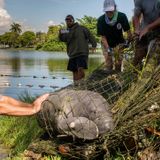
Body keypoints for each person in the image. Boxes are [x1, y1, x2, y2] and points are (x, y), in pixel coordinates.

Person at [59, 15, 97, 83]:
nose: (68, 22)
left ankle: (82, 84)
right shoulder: (66, 31)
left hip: (82, 52)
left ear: (73, 20)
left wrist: (94, 45)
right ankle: (76, 85)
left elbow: (91, 36)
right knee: (74, 71)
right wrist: (60, 33)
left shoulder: (82, 28)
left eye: (69, 20)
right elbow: (62, 39)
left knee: (80, 69)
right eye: (66, 20)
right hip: (72, 54)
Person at [97, 0, 132, 72]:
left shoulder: (121, 16)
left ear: (115, 8)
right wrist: (108, 49)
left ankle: (117, 76)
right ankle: (108, 77)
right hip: (106, 43)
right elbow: (103, 37)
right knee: (108, 63)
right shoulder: (101, 20)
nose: (109, 13)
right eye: (107, 11)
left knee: (118, 63)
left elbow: (128, 32)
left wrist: (127, 42)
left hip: (119, 43)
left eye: (111, 10)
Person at [133, 0, 160, 67]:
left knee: (153, 56)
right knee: (138, 55)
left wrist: (148, 28)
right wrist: (137, 29)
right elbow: (136, 15)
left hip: (158, 30)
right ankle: (136, 70)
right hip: (145, 28)